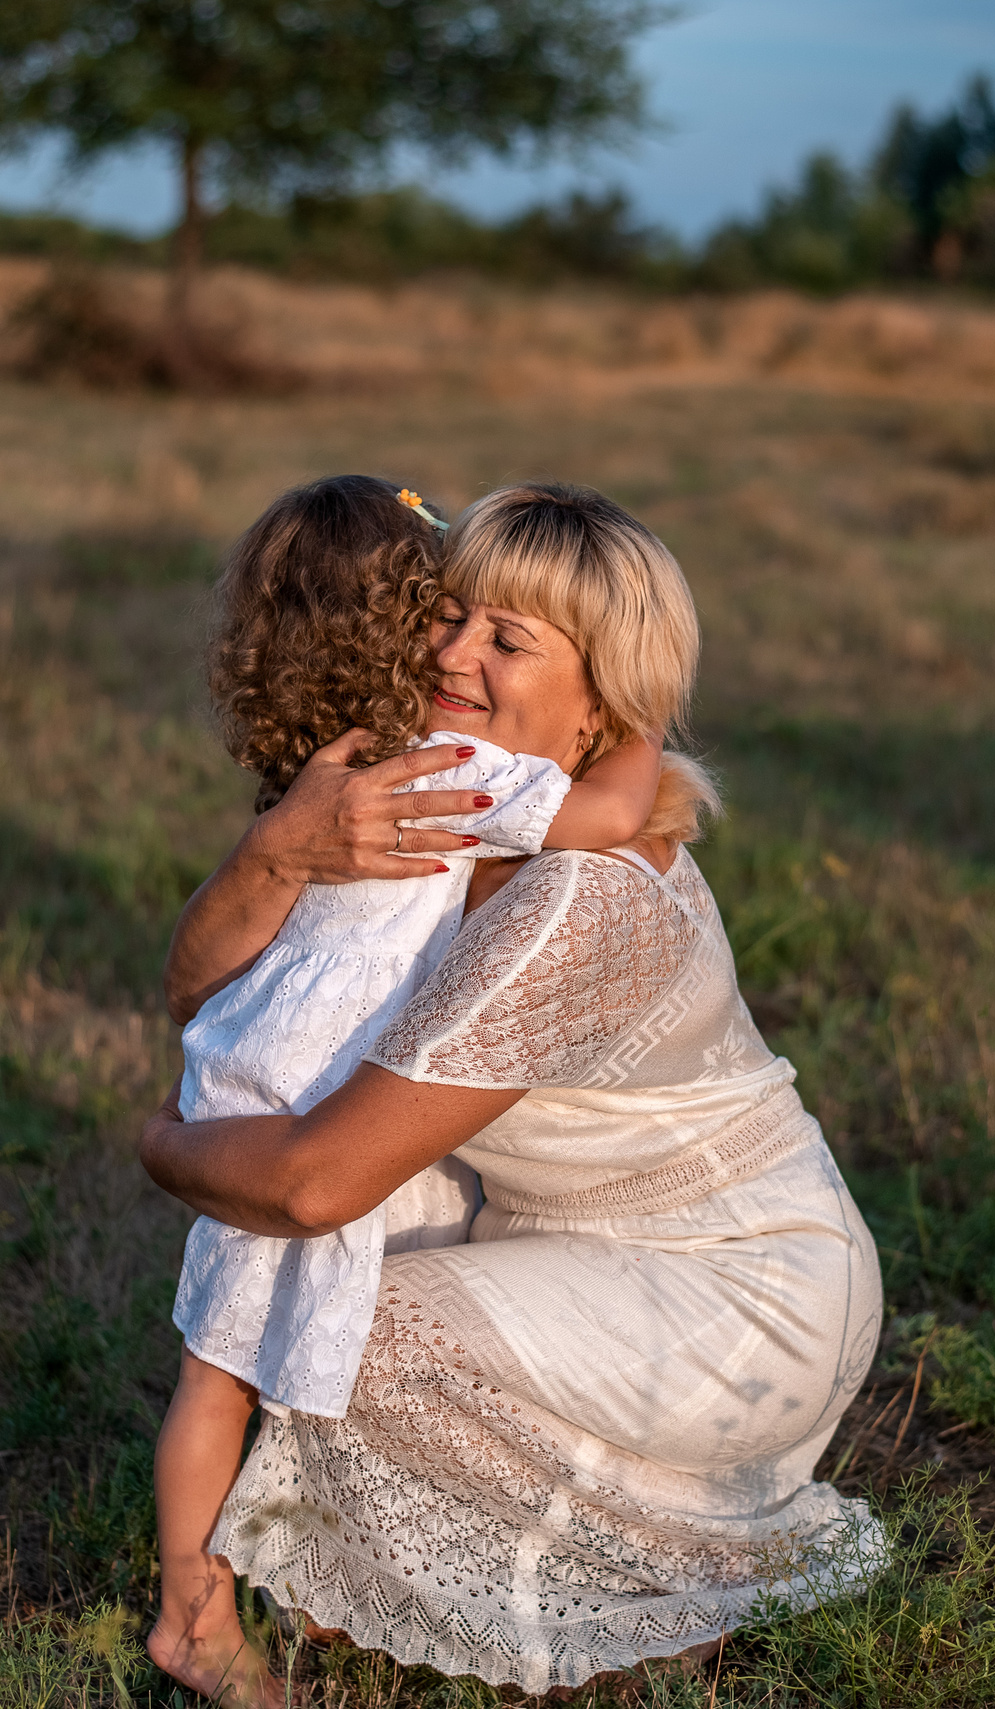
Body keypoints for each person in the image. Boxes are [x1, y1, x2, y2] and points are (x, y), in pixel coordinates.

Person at [143, 482, 885, 1702]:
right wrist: (276, 847)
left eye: (507, 639)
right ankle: (407, 1576)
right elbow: (196, 991)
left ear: (601, 703)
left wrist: (166, 1148)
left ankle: (659, 1577)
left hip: (738, 1279)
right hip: (572, 1245)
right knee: (312, 1324)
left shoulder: (579, 898)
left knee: (344, 1338)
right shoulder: (440, 795)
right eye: (449, 615)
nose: (450, 654)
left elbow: (315, 1180)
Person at [149, 475, 663, 1706]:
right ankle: (332, 1594)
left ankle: (191, 1607)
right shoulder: (455, 774)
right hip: (332, 1117)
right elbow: (609, 811)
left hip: (241, 1095)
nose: (459, 648)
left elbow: (210, 979)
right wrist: (643, 711)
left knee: (214, 1377)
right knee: (352, 1354)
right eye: (447, 611)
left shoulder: (313, 772)